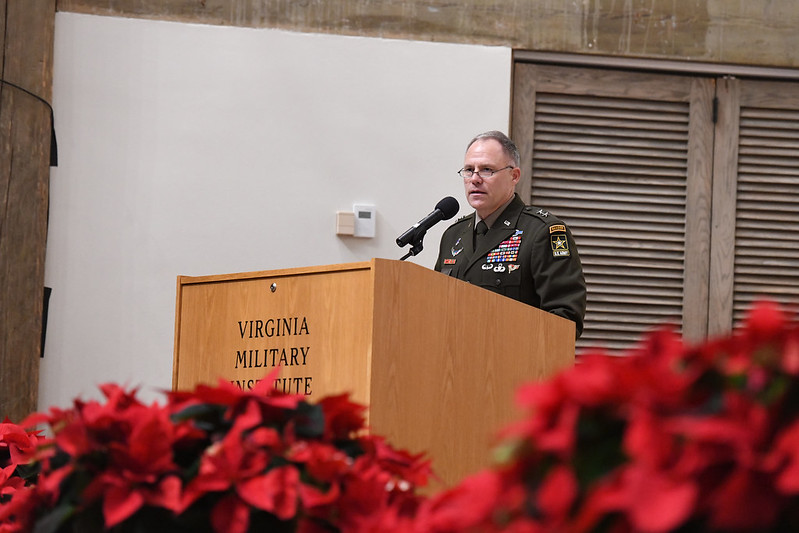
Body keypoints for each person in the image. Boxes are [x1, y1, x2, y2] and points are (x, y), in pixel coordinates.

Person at [434, 131, 587, 337]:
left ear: (514, 176)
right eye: (469, 170)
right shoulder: (453, 235)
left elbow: (564, 320)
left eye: (487, 170)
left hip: (517, 365)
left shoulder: (542, 232)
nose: (475, 179)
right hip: (453, 364)